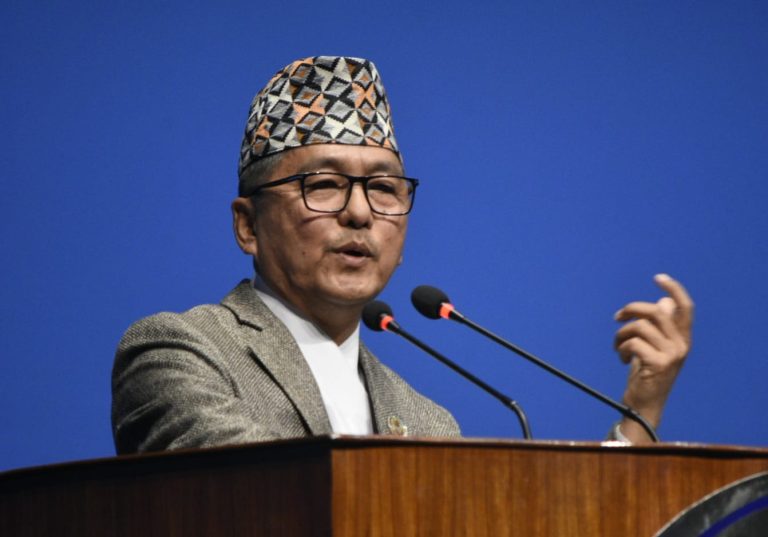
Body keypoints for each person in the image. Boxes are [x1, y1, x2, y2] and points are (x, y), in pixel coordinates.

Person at [111, 56, 693, 454]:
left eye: (384, 188)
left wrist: (637, 416)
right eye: (324, 185)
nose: (359, 213)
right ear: (248, 225)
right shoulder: (181, 354)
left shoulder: (429, 424)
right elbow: (265, 497)